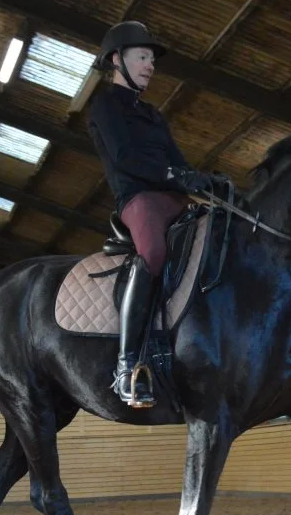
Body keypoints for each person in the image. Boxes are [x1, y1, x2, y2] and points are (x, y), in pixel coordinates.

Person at [88, 21, 215, 408]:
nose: (150, 65)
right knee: (155, 255)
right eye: (142, 57)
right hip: (137, 199)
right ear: (117, 59)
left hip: (172, 197)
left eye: (151, 60)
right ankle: (127, 366)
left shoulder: (154, 115)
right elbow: (125, 158)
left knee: (217, 237)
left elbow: (178, 160)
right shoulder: (105, 104)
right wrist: (174, 175)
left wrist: (207, 180)